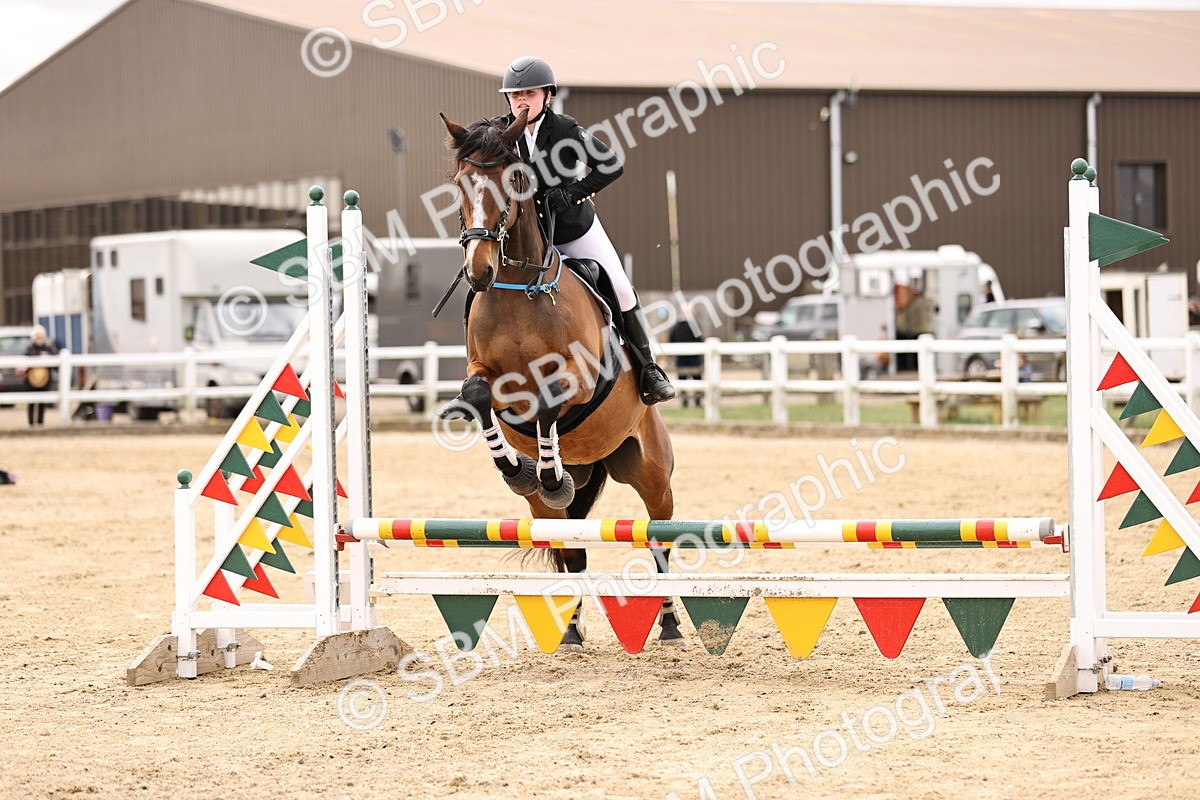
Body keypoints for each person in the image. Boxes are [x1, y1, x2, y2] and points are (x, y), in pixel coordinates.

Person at [492, 56, 674, 404]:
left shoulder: (564, 129)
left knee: (620, 287)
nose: (521, 101)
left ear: (548, 95)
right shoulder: (501, 134)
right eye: (515, 95)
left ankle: (649, 368)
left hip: (574, 230)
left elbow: (611, 164)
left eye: (529, 93)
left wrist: (573, 193)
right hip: (529, 240)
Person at [19, 325, 58, 426]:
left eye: (41, 337)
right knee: (31, 403)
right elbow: (24, 363)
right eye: (37, 337)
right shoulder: (29, 349)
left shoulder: (49, 348)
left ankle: (41, 422)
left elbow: (56, 363)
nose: (39, 339)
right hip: (31, 381)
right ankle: (31, 423)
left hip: (44, 380)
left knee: (42, 403)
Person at [668, 310, 704, 408]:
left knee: (683, 378)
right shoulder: (694, 325)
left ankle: (687, 401)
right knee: (696, 378)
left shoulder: (676, 327)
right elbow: (700, 339)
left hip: (682, 357)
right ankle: (696, 401)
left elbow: (672, 340)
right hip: (693, 357)